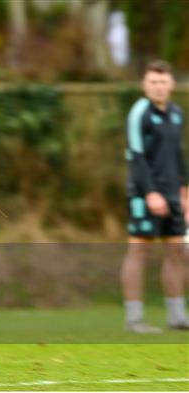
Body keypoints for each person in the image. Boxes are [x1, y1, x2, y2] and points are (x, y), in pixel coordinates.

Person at [122, 60, 188, 333]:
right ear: (144, 85)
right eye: (152, 82)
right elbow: (137, 157)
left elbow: (177, 155)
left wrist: (184, 192)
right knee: (139, 250)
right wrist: (150, 193)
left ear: (171, 84)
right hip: (144, 194)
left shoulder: (176, 113)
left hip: (173, 194)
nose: (158, 87)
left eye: (162, 82)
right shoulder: (140, 113)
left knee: (177, 253)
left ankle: (177, 316)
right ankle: (134, 319)